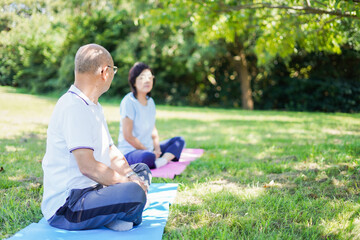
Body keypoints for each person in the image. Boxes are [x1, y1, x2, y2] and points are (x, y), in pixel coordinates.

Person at [41, 44, 151, 232]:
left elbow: (110, 150)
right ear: (104, 72)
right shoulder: (73, 107)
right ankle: (119, 210)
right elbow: (88, 167)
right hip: (70, 205)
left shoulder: (93, 106)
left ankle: (112, 212)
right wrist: (130, 184)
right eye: (113, 69)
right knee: (134, 192)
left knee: (141, 169)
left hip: (95, 189)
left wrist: (131, 175)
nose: (113, 74)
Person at [117, 62, 185, 169]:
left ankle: (161, 161)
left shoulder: (151, 102)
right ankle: (156, 160)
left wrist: (157, 149)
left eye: (150, 77)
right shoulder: (128, 102)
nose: (147, 80)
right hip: (131, 151)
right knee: (147, 157)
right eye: (142, 77)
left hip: (149, 148)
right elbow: (128, 136)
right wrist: (148, 151)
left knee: (179, 141)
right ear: (134, 81)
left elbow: (153, 131)